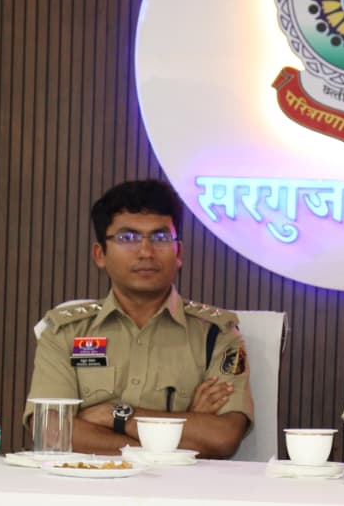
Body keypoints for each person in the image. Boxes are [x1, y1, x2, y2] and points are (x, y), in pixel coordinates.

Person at [23, 180, 254, 459]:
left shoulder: (217, 334)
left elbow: (222, 437)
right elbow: (51, 432)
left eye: (160, 237)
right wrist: (179, 434)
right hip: (86, 484)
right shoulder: (66, 331)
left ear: (179, 253)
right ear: (100, 255)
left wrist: (116, 415)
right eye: (128, 238)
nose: (146, 251)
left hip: (182, 486)